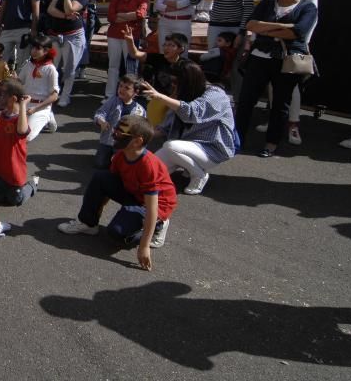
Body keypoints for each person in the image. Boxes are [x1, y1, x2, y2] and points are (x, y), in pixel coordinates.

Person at [58, 115, 176, 270]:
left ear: (137, 141)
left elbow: (152, 208)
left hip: (155, 206)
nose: (114, 134)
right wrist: (94, 213)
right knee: (101, 177)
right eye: (116, 130)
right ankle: (87, 224)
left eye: (120, 133)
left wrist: (144, 247)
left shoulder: (149, 166)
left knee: (117, 233)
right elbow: (107, 185)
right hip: (135, 193)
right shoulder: (121, 155)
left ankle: (159, 226)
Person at [235, 0, 317, 159]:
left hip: (286, 61)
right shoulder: (267, 4)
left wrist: (266, 28)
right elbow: (251, 25)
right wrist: (283, 27)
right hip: (259, 58)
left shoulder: (307, 7)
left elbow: (298, 32)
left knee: (280, 104)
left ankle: (271, 144)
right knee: (246, 101)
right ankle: (236, 140)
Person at [254, 0, 318, 145]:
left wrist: (300, 41)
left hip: (293, 44)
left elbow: (310, 14)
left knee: (292, 88)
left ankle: (293, 125)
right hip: (268, 44)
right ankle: (276, 121)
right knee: (274, 87)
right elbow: (263, 15)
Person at [144, 60, 236, 195]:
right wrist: (138, 135)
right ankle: (186, 168)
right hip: (184, 147)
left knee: (171, 146)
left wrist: (160, 97)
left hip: (211, 150)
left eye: (176, 82)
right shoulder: (183, 96)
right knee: (148, 173)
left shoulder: (216, 94)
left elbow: (192, 113)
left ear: (187, 81)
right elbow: (164, 128)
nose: (172, 86)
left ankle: (199, 175)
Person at [122, 30, 188, 127]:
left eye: (171, 45)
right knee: (146, 125)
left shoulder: (186, 66)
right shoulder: (158, 58)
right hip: (158, 100)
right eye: (165, 45)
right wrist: (130, 41)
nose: (166, 48)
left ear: (180, 49)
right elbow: (135, 54)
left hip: (177, 102)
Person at [45, 0, 89, 106]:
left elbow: (70, 8)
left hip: (73, 35)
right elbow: (51, 10)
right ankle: (53, 93)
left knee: (70, 67)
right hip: (57, 34)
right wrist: (65, 16)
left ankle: (66, 95)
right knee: (53, 66)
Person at [0, 78, 35, 205]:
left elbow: (21, 130)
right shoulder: (4, 113)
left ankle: (31, 185)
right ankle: (3, 190)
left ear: (13, 99)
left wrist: (24, 105)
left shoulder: (19, 119)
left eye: (1, 96)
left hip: (12, 167)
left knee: (15, 200)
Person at [105, 0, 147, 99]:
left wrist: (121, 15)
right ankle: (110, 94)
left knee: (131, 67)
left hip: (131, 35)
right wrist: (130, 15)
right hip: (114, 34)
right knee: (113, 66)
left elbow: (141, 14)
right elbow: (110, 17)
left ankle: (130, 95)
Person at [93, 75, 146, 169]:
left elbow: (142, 129)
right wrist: (102, 122)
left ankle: (118, 159)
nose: (121, 89)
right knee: (100, 164)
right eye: (120, 86)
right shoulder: (113, 101)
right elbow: (100, 113)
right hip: (108, 141)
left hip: (125, 145)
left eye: (127, 88)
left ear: (136, 92)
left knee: (121, 166)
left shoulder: (140, 110)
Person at [17, 35, 59, 142]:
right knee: (15, 130)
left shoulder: (51, 69)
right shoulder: (28, 65)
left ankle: (48, 115)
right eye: (33, 48)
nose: (33, 51)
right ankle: (49, 116)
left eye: (37, 49)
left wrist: (36, 109)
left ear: (46, 51)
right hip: (25, 104)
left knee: (27, 136)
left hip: (40, 107)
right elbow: (19, 82)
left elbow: (54, 95)